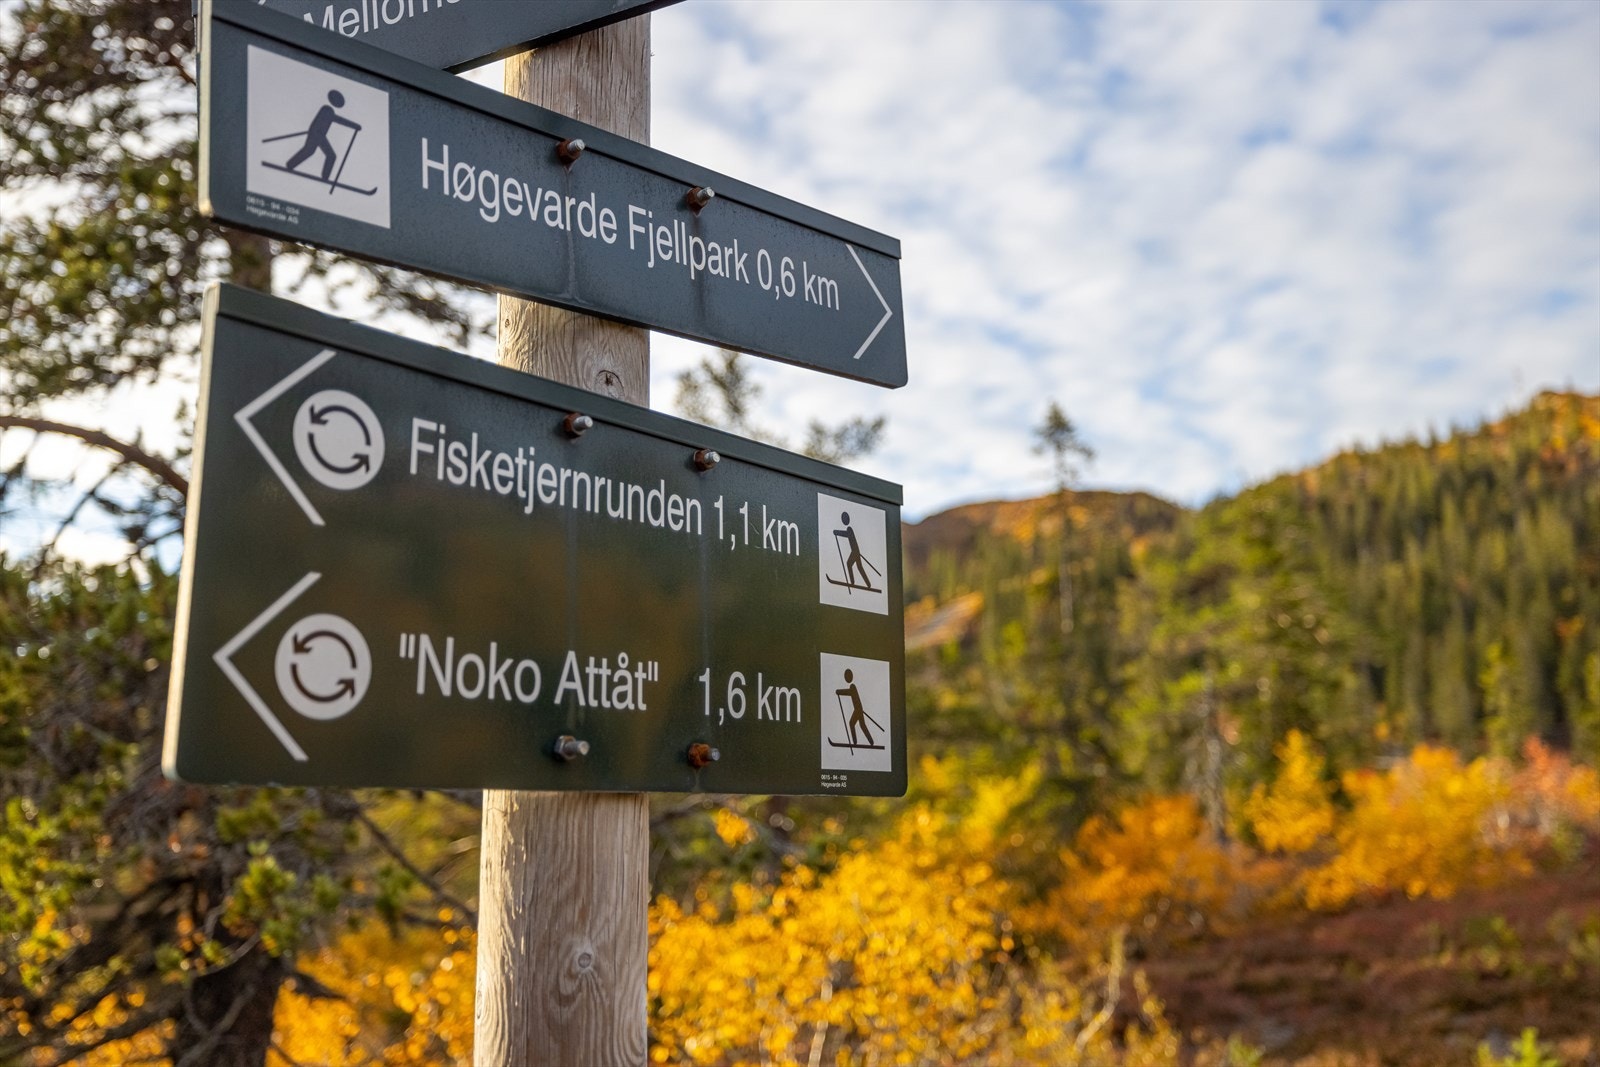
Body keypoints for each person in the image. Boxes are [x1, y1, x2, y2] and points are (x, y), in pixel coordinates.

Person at [285, 90, 361, 181]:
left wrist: (355, 126)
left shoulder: (329, 111)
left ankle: (323, 176)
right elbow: (338, 119)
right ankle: (291, 165)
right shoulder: (327, 110)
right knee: (318, 153)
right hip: (316, 134)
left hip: (319, 135)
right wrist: (354, 126)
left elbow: (337, 119)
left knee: (323, 154)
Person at [833, 511, 874, 590]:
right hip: (855, 551)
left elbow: (846, 534)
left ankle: (855, 582)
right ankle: (866, 584)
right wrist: (836, 533)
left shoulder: (849, 529)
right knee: (858, 567)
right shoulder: (849, 528)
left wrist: (837, 532)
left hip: (855, 551)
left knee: (852, 565)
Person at [836, 669, 874, 748]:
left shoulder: (852, 687)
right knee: (862, 725)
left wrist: (839, 691)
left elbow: (848, 692)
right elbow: (848, 692)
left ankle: (855, 742)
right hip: (859, 709)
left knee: (851, 723)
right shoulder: (852, 687)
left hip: (857, 709)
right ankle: (871, 741)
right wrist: (839, 692)